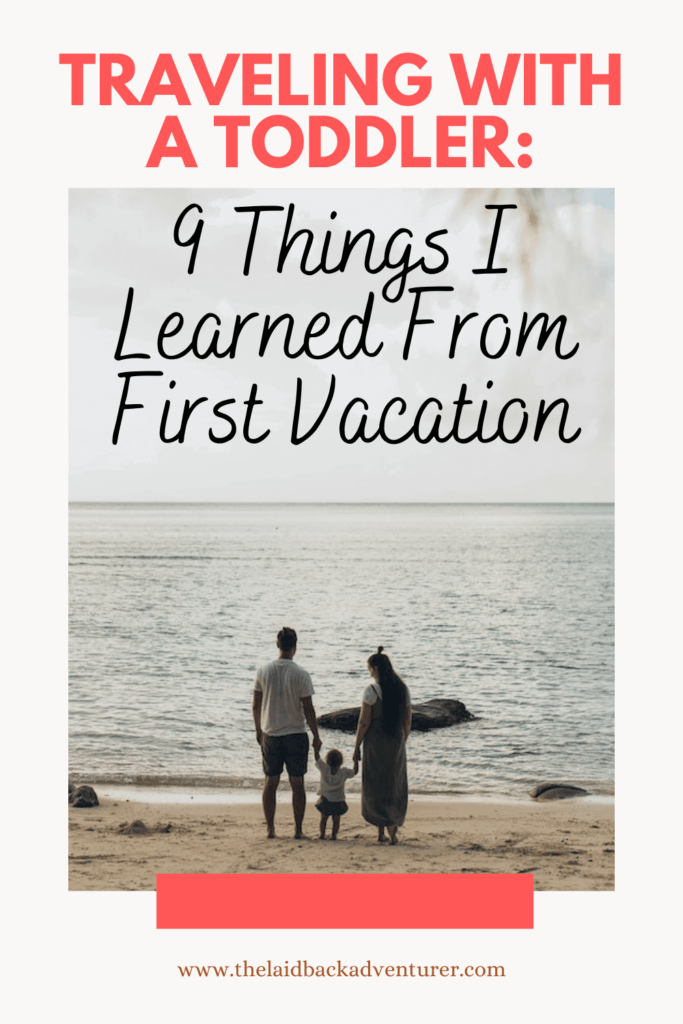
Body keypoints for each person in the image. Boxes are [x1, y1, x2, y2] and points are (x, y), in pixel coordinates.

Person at [252, 626, 322, 839]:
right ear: (295, 646)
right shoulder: (301, 673)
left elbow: (256, 704)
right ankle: (298, 830)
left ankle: (271, 829)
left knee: (270, 782)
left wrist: (258, 730)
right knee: (297, 783)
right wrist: (316, 736)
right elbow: (308, 709)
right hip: (295, 734)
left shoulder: (263, 670)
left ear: (277, 644)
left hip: (271, 733)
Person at [352, 646, 411, 845]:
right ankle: (393, 830)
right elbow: (407, 721)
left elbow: (364, 722)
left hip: (375, 742)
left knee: (376, 783)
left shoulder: (371, 691)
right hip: (396, 741)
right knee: (394, 783)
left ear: (375, 668)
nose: (369, 671)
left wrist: (356, 746)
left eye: (369, 668)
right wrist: (401, 740)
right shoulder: (403, 689)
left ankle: (380, 833)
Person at [314, 748, 358, 840]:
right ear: (341, 762)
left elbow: (317, 759)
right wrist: (356, 760)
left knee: (323, 819)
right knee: (336, 820)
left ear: (327, 760)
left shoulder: (324, 768)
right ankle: (334, 835)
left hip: (326, 800)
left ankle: (322, 835)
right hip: (339, 801)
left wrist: (316, 749)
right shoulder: (344, 772)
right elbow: (355, 772)